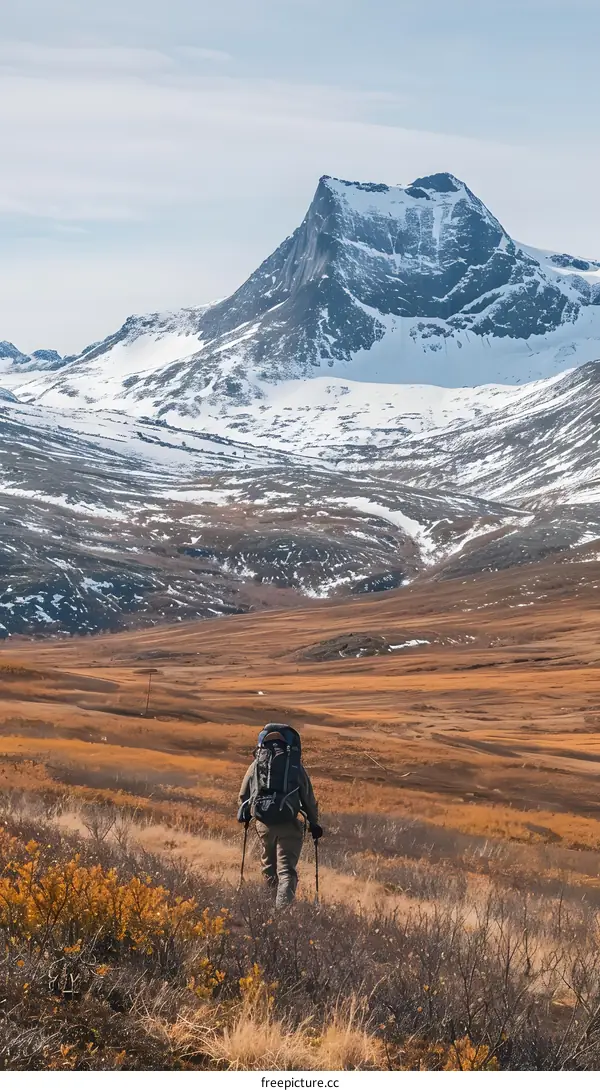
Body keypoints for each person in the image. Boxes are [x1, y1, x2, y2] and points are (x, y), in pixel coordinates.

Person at [237, 724, 323, 908]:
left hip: (263, 823)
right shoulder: (293, 765)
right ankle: (281, 913)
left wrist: (245, 814)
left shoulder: (257, 764)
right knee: (286, 871)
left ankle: (267, 909)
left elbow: (243, 795)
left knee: (269, 868)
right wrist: (314, 824)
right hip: (288, 824)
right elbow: (307, 797)